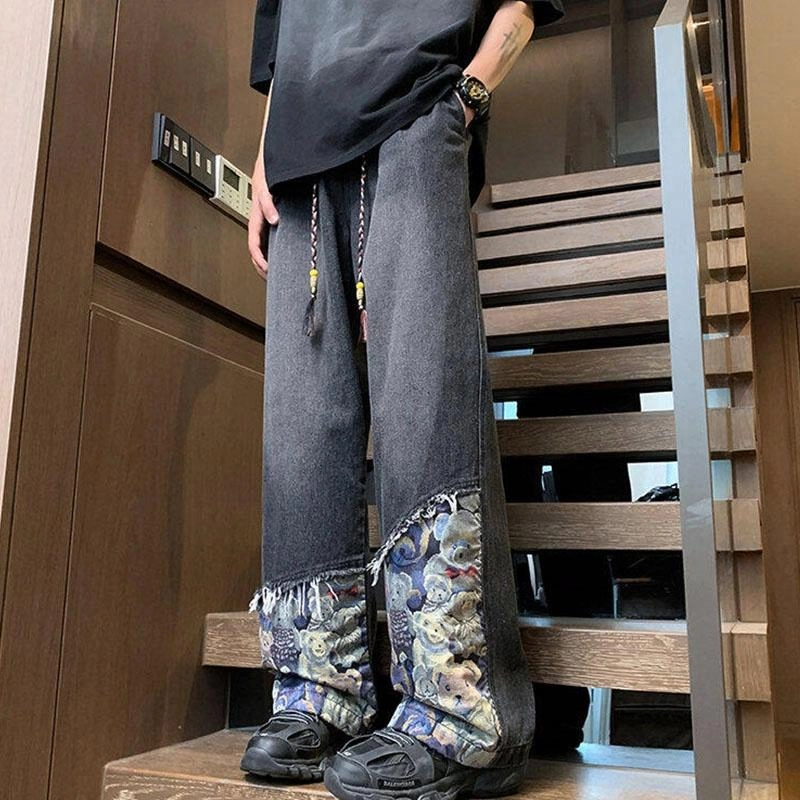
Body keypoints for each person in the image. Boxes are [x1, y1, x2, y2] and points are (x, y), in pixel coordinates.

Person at [241, 2, 565, 799]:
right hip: (298, 158)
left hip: (419, 110)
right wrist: (263, 159)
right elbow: (281, 50)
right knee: (300, 423)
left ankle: (462, 714)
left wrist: (468, 98)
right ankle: (318, 688)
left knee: (425, 392)